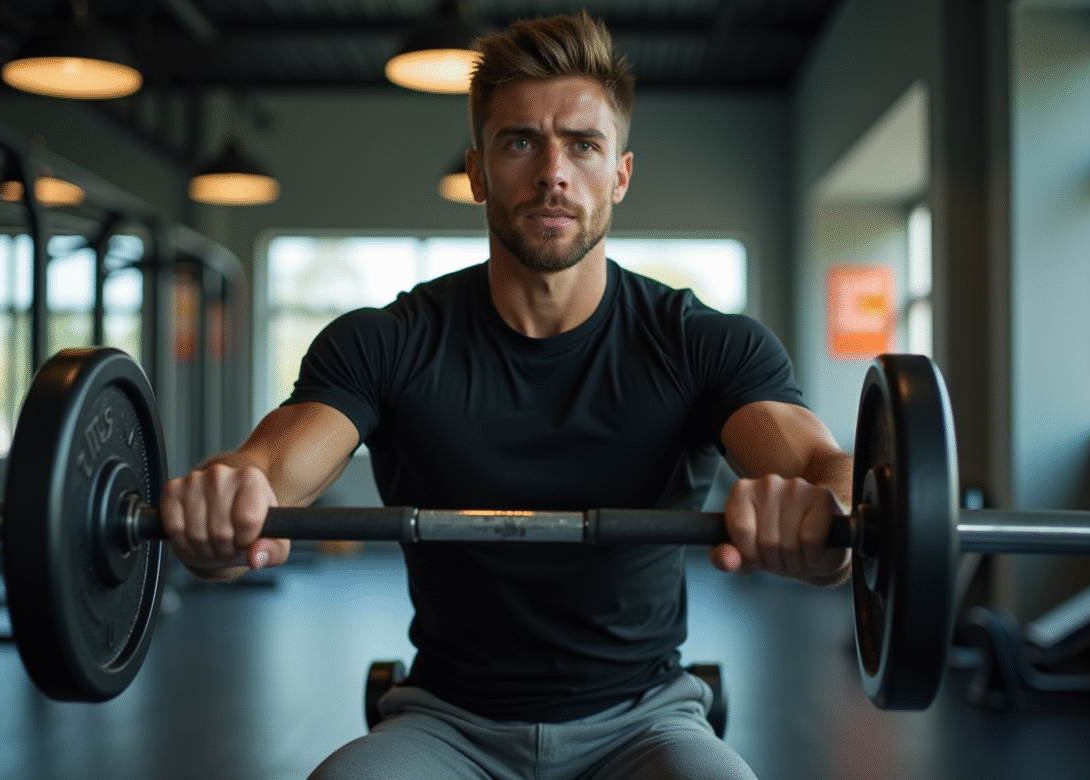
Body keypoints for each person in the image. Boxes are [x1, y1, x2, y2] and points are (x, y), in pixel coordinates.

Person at [161, 11, 852, 780]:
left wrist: (825, 525)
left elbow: (832, 475)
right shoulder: (385, 341)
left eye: (583, 145)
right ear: (478, 172)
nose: (553, 171)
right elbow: (264, 474)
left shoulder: (704, 343)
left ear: (619, 174)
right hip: (445, 721)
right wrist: (221, 513)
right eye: (520, 141)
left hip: (645, 720)